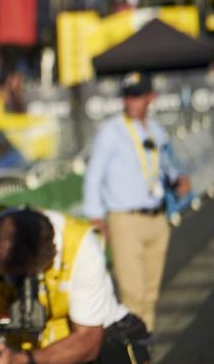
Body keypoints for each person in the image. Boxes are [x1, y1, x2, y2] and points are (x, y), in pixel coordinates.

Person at [0, 208, 152, 364]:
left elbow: (88, 341)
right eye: (9, 275)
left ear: (46, 259)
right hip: (20, 344)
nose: (15, 283)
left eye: (23, 276)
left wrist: (23, 360)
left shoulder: (81, 248)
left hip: (94, 338)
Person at [83, 71, 190, 331]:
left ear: (151, 97)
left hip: (156, 217)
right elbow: (94, 175)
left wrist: (178, 178)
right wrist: (95, 215)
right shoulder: (111, 131)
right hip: (125, 219)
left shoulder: (156, 130)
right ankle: (134, 348)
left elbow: (165, 164)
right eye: (128, 97)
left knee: (151, 295)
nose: (131, 102)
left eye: (137, 96)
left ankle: (145, 344)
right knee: (133, 295)